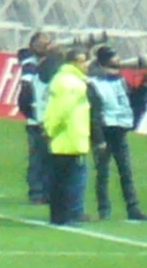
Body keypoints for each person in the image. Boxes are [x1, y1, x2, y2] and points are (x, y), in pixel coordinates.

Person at [86, 46, 147, 221]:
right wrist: (97, 136)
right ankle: (104, 209)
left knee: (126, 171)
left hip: (120, 128)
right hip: (105, 128)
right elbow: (93, 110)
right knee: (103, 172)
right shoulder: (94, 81)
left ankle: (132, 207)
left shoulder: (120, 79)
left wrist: (146, 85)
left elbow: (131, 100)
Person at [43, 47, 94, 225]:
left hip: (64, 136)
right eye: (84, 61)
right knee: (67, 180)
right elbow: (63, 110)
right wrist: (51, 129)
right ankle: (66, 216)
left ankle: (59, 216)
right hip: (68, 137)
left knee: (60, 179)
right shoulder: (72, 84)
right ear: (74, 62)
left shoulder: (61, 79)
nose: (87, 65)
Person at [18, 33, 57, 205]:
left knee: (48, 157)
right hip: (37, 118)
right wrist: (31, 114)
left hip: (48, 117)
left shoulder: (49, 65)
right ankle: (37, 191)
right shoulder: (30, 65)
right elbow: (25, 92)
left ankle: (47, 191)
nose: (46, 45)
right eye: (43, 42)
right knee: (38, 158)